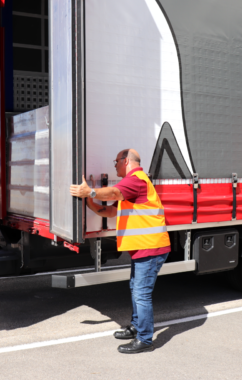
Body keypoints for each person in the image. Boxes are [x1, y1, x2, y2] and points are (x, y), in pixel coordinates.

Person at [69, 149, 170, 354]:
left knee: (141, 293)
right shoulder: (132, 187)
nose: (114, 165)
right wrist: (89, 200)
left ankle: (145, 339)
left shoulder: (136, 180)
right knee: (135, 288)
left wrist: (91, 191)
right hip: (143, 247)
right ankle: (136, 327)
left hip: (150, 247)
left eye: (116, 162)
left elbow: (114, 192)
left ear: (125, 161)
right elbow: (109, 211)